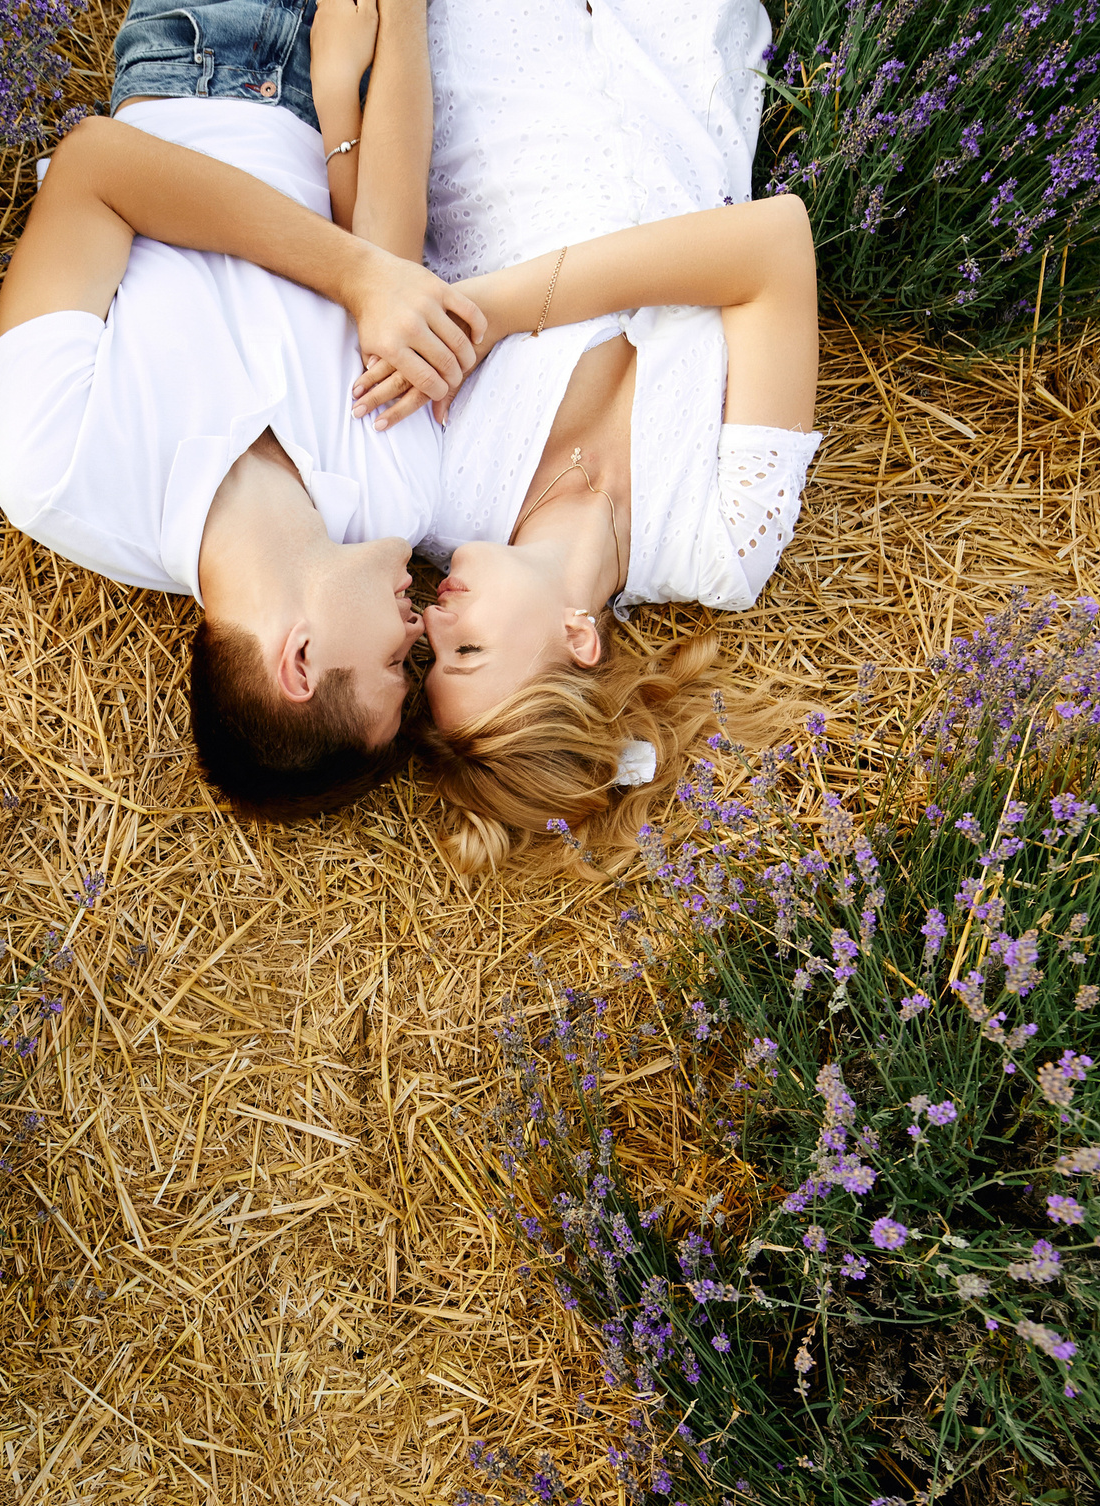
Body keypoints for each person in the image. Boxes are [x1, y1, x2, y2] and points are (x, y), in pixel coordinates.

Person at [352, 0, 825, 876]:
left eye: (426, 654)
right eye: (468, 650)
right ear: (579, 640)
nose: (431, 617)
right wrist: (494, 314)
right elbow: (775, 249)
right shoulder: (724, 542)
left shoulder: (433, 491)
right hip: (681, 42)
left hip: (489, 51)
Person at [0, 0, 485, 819]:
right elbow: (395, 256)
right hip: (347, 91)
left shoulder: (58, 469)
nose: (420, 634)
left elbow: (96, 168)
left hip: (202, 49)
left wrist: (355, 280)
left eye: (397, 670)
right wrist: (394, 26)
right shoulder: (398, 498)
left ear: (300, 661)